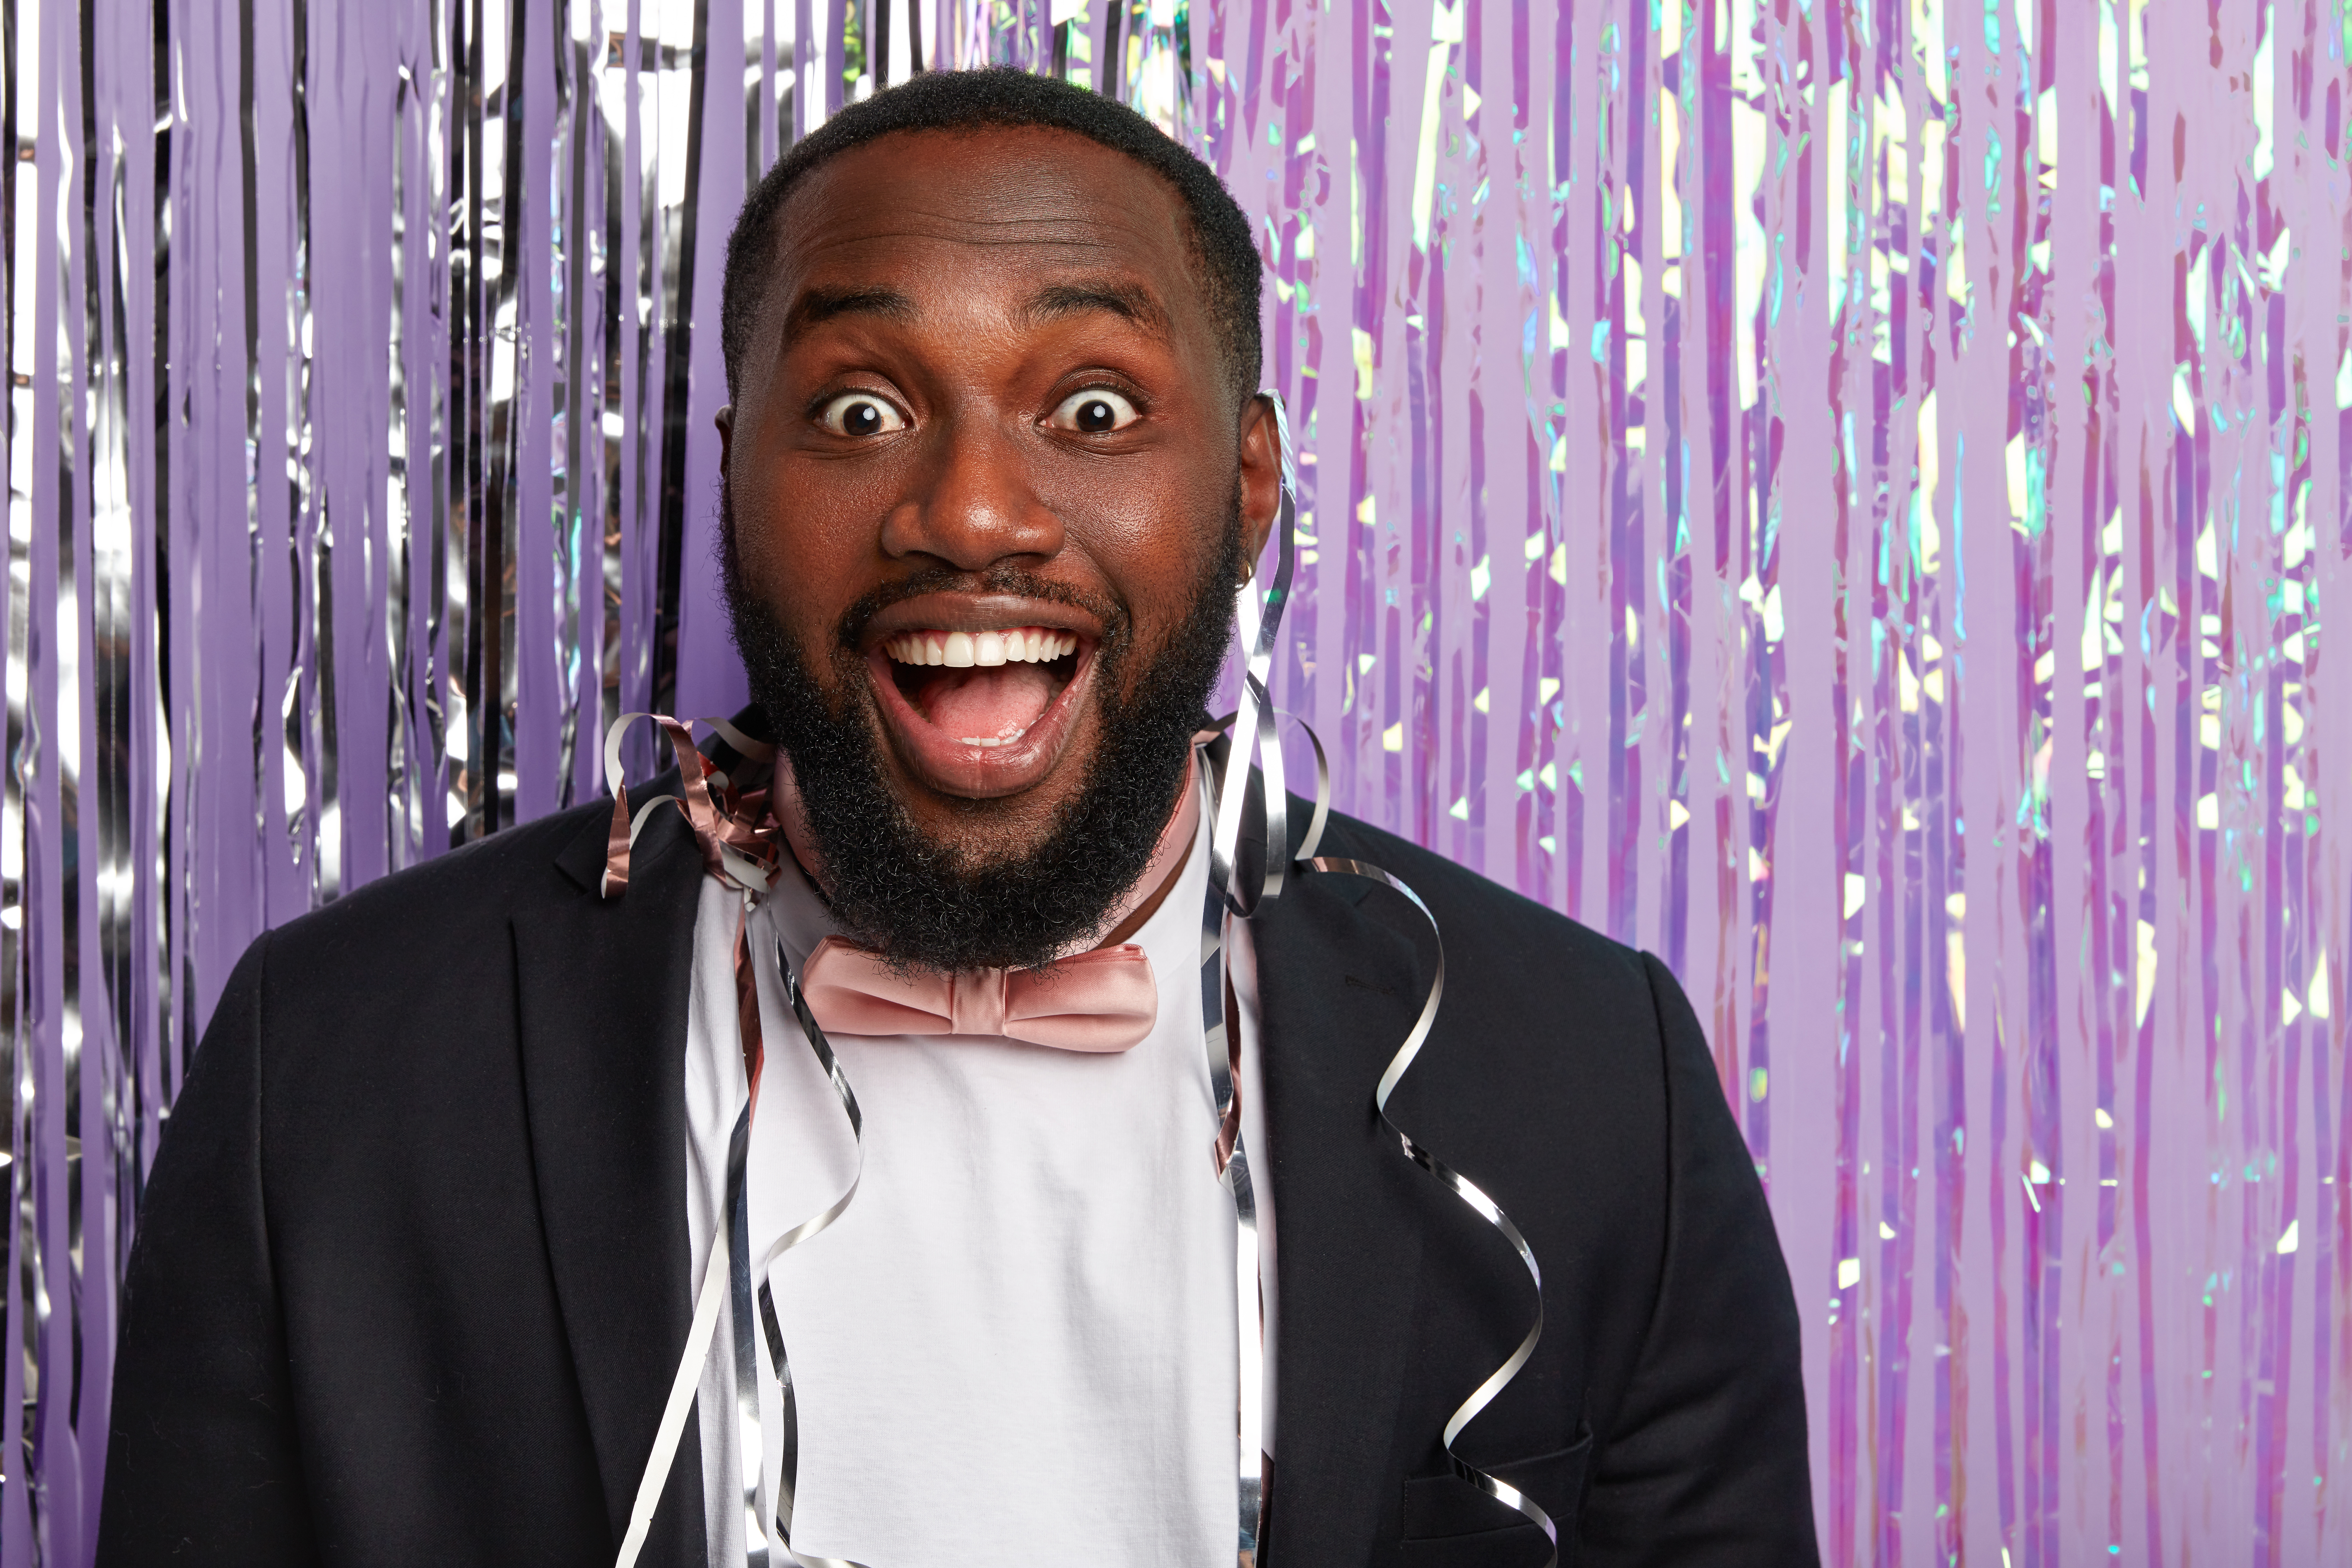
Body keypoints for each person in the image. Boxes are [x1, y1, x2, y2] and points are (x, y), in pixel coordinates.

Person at [95, 68, 1816, 1568]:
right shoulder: (330, 1068)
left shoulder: (1591, 1080)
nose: (974, 508)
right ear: (735, 476)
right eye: (859, 410)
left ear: (1248, 487)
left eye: (1091, 410)